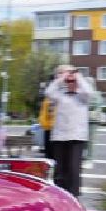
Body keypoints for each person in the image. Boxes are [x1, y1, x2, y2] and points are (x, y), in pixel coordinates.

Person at [43, 65, 97, 196]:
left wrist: (78, 77)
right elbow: (48, 92)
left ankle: (73, 195)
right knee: (60, 170)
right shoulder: (59, 96)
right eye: (69, 82)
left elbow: (90, 92)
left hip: (76, 137)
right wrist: (61, 79)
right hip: (60, 137)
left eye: (73, 82)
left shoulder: (83, 96)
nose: (70, 83)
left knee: (74, 169)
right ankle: (60, 194)